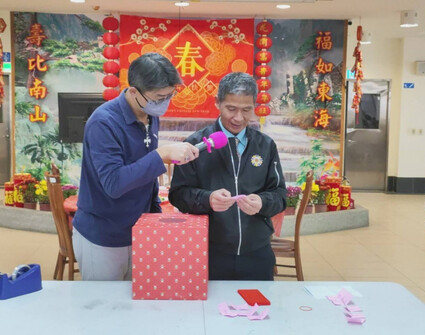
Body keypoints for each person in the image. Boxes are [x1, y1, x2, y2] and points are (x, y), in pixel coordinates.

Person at [73, 53, 199, 281]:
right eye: (159, 97)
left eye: (170, 96)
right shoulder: (103, 123)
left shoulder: (150, 115)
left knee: (137, 306)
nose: (164, 103)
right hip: (103, 235)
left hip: (140, 230)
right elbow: (113, 184)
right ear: (133, 92)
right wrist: (161, 156)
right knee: (103, 307)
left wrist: (155, 216)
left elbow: (145, 176)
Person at [169, 72, 287, 280]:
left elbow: (280, 195)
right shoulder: (196, 144)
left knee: (258, 309)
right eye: (231, 109)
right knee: (210, 312)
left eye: (246, 110)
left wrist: (262, 202)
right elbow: (178, 195)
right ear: (217, 103)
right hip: (209, 251)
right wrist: (208, 199)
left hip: (257, 252)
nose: (239, 118)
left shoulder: (265, 145)